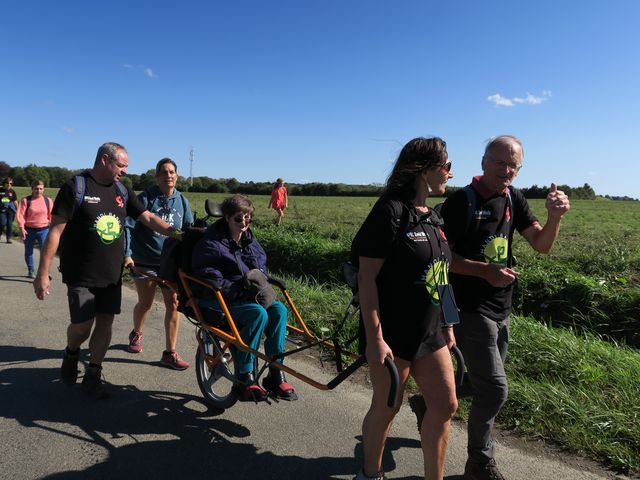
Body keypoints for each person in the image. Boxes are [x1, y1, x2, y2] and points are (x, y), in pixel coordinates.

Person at [440, 135, 570, 480]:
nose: (507, 170)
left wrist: (554, 218)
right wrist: (485, 271)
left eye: (514, 165)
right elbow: (440, 259)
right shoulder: (461, 202)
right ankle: (479, 463)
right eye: (500, 163)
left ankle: (429, 404)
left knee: (479, 383)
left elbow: (541, 245)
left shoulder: (515, 198)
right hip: (469, 308)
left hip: (502, 306)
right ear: (483, 162)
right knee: (496, 389)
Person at [33, 142, 181, 400]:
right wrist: (42, 273)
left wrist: (176, 234)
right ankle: (71, 351)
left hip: (111, 274)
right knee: (82, 326)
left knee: (105, 323)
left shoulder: (123, 189)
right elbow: (55, 232)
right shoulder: (75, 187)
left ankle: (93, 374)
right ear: (104, 160)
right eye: (121, 165)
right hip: (80, 272)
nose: (124, 171)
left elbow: (146, 217)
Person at [353, 137, 458, 480]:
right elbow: (366, 280)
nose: (450, 173)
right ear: (424, 169)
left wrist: (450, 324)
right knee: (387, 406)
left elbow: (441, 275)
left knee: (445, 405)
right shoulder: (390, 211)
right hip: (392, 332)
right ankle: (370, 473)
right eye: (446, 165)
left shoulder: (434, 218)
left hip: (431, 332)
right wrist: (375, 339)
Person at [191, 194, 297, 401]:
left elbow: (261, 266)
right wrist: (239, 289)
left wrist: (256, 279)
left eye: (248, 217)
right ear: (227, 218)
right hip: (217, 297)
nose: (245, 222)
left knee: (279, 310)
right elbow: (209, 276)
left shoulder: (249, 240)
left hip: (244, 296)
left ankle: (276, 372)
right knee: (258, 313)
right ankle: (245, 375)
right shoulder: (211, 243)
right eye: (239, 218)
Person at [124, 157, 194, 370]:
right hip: (145, 260)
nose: (168, 176)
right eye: (164, 172)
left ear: (177, 176)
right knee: (145, 303)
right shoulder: (145, 198)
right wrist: (127, 254)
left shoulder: (182, 200)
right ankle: (136, 333)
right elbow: (128, 226)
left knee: (173, 304)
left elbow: (189, 230)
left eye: (172, 172)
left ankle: (169, 352)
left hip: (171, 263)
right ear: (156, 177)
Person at [16, 180, 53, 278]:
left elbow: (51, 216)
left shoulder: (47, 201)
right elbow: (21, 215)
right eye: (36, 188)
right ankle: (31, 270)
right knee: (29, 251)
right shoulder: (25, 201)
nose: (38, 191)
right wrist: (22, 228)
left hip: (44, 230)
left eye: (41, 189)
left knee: (45, 252)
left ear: (43, 189)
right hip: (29, 230)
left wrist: (53, 229)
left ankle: (44, 271)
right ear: (32, 189)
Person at [0, 176, 18, 243]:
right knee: (2, 223)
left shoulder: (12, 191)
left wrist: (18, 209)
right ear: (4, 183)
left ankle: (9, 238)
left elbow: (15, 201)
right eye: (7, 183)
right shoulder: (0, 190)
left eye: (11, 183)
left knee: (9, 224)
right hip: (2, 210)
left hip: (10, 210)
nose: (9, 184)